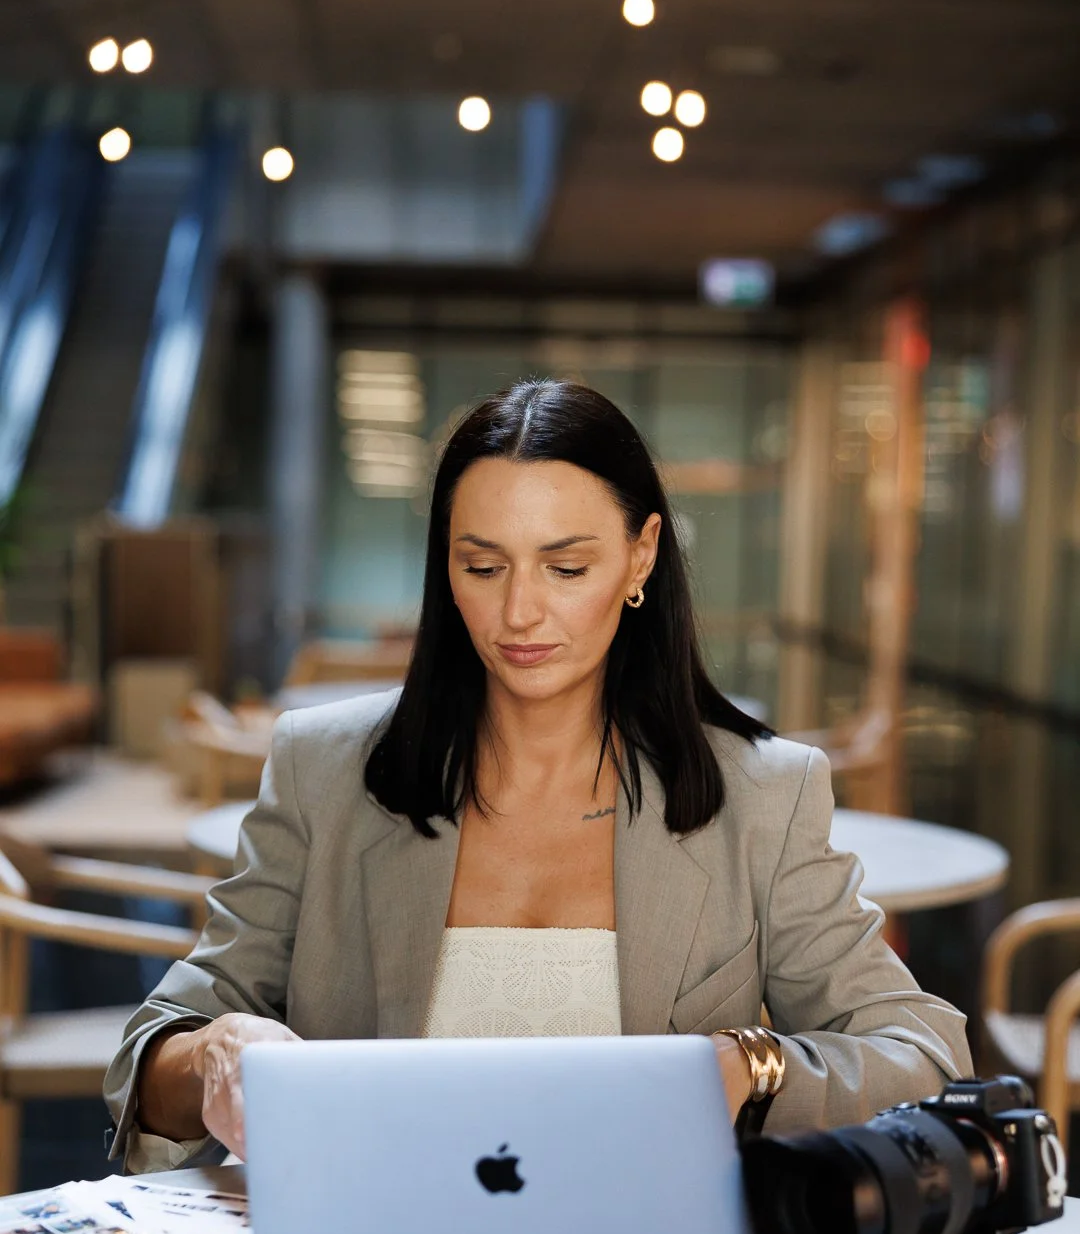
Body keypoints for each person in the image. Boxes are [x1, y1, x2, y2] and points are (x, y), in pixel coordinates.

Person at [105, 379, 971, 1171]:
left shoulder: (761, 795)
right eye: (482, 567)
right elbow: (147, 1063)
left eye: (566, 568)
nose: (519, 611)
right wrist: (217, 1050)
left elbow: (925, 1053)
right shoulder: (322, 771)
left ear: (640, 558)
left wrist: (750, 1064)